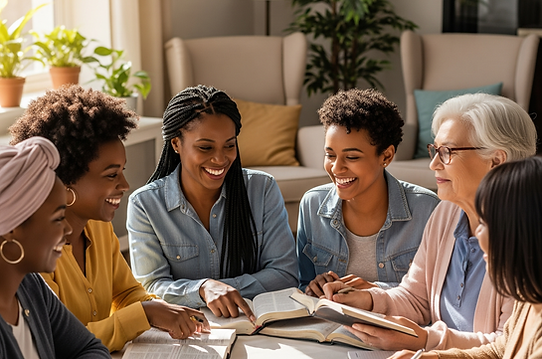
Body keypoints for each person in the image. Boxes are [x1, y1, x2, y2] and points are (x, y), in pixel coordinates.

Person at [322, 93, 537, 351]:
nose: (433, 164)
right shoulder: (446, 213)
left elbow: (510, 345)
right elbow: (416, 297)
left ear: (496, 161)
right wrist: (367, 301)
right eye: (434, 150)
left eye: (446, 152)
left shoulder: (528, 234)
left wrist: (425, 341)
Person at [9, 85, 210, 353]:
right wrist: (144, 314)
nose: (125, 185)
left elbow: (126, 293)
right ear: (67, 180)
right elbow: (62, 340)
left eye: (122, 171)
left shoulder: (99, 227)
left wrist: (161, 309)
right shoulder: (37, 248)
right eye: (111, 175)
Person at [127, 85, 298, 319]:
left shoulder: (262, 189)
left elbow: (286, 274)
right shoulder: (145, 205)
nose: (220, 159)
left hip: (255, 326)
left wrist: (225, 291)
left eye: (229, 145)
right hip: (188, 331)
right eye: (205, 147)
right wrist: (203, 289)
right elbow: (150, 288)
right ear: (176, 143)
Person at [391, 156, 542, 359]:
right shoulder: (528, 300)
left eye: (485, 222)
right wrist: (434, 357)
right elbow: (499, 350)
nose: (477, 234)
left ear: (522, 229)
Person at [297, 88, 440, 296]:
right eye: (330, 155)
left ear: (386, 156)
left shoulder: (426, 209)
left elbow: (436, 294)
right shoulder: (312, 205)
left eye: (352, 157)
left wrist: (373, 292)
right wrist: (313, 287)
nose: (336, 168)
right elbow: (303, 284)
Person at [0, 136, 110, 358]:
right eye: (59, 218)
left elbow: (91, 349)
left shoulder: (31, 286)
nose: (68, 229)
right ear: (11, 228)